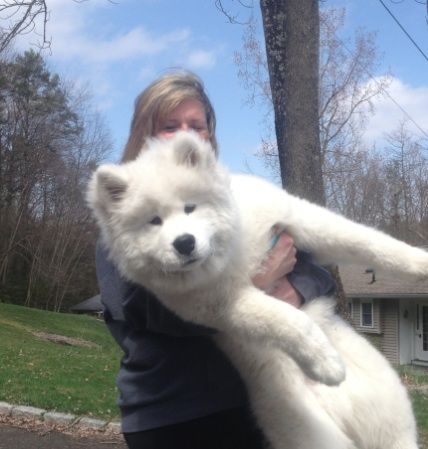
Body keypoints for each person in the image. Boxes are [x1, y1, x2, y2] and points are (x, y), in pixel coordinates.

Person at [96, 70, 336, 449]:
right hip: (173, 412)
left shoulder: (228, 200)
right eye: (170, 125)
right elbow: (144, 312)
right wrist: (255, 286)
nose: (187, 134)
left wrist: (297, 288)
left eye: (197, 124)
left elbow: (315, 269)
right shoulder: (127, 213)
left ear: (210, 134)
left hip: (257, 400)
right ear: (145, 133)